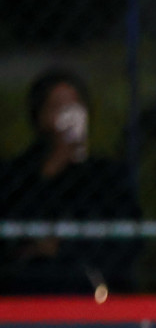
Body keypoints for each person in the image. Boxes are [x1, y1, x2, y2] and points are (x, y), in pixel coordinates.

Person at [0, 69, 140, 295]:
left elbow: (125, 239)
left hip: (87, 284)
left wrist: (64, 248)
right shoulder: (15, 175)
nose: (68, 117)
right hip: (26, 285)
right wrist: (55, 161)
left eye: (75, 107)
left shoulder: (107, 176)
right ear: (39, 115)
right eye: (57, 107)